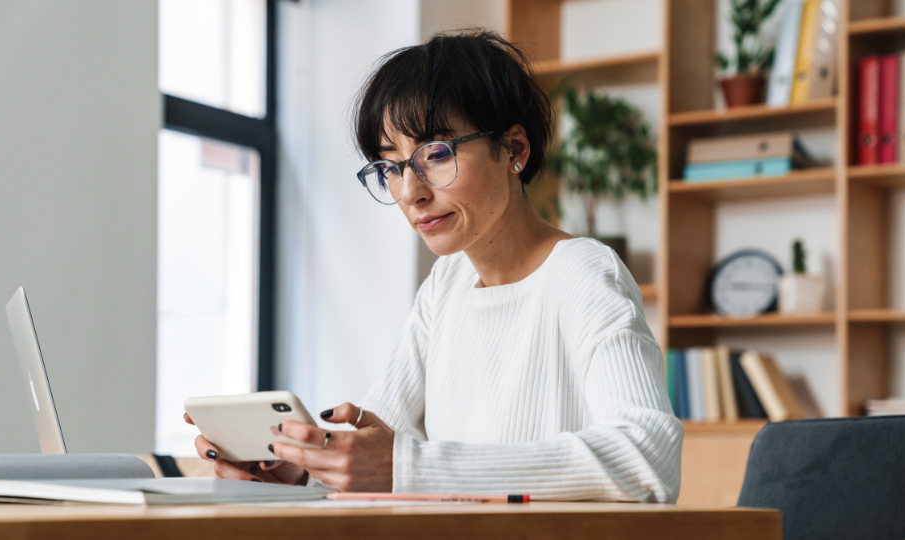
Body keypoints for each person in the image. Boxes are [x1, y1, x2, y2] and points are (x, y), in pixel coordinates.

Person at [188, 30, 682, 502]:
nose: (411, 192)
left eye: (437, 154)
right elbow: (381, 449)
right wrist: (295, 469)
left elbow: (648, 456)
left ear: (514, 148)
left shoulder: (584, 273)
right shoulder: (447, 284)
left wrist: (408, 466)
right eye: (391, 166)